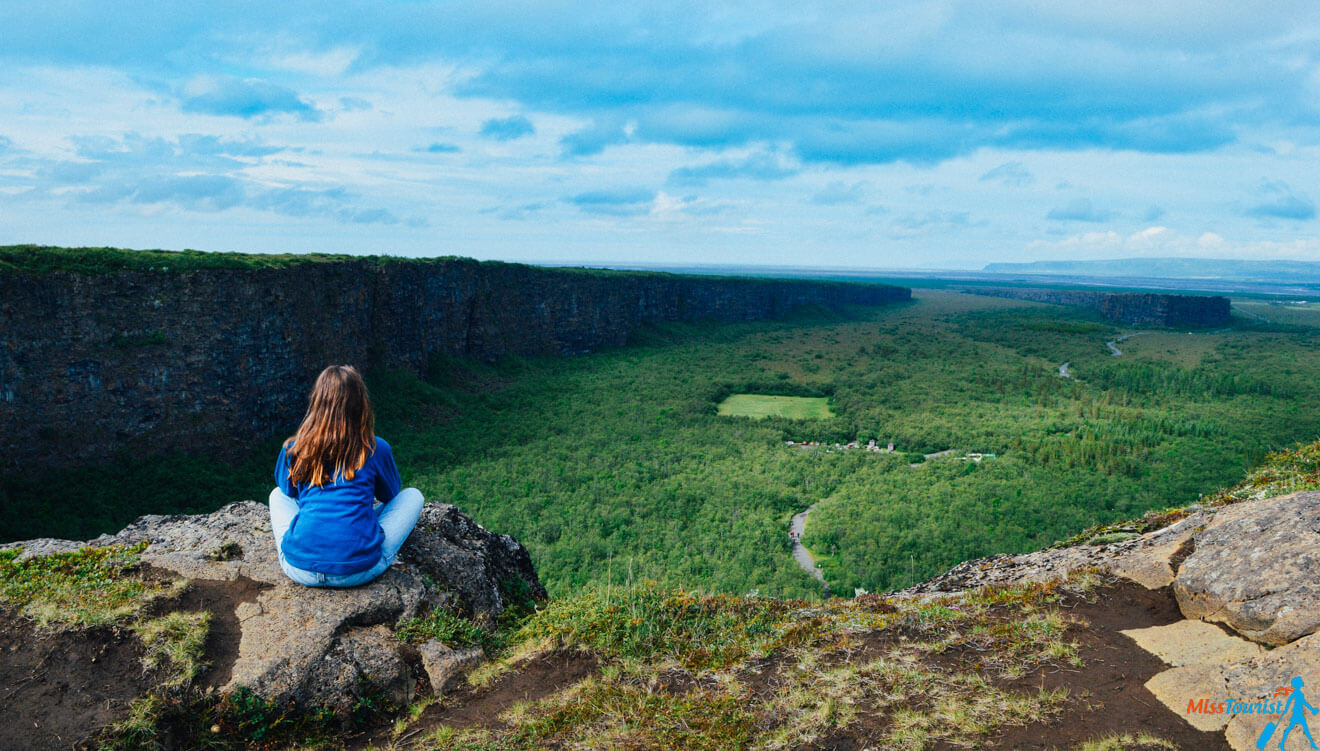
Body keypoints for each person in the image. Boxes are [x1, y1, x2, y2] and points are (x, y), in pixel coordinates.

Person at [268, 365, 424, 587]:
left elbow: (288, 492)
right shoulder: (375, 448)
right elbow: (391, 495)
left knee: (276, 495)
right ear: (361, 403)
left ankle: (312, 537)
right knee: (414, 496)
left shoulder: (294, 448)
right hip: (358, 571)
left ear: (317, 402)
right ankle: (350, 538)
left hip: (298, 568)